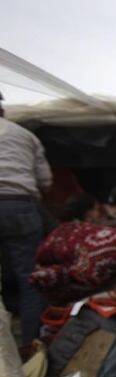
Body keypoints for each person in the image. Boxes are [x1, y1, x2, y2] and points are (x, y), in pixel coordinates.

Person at [0, 91, 51, 348]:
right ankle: (31, 347)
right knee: (29, 281)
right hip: (20, 206)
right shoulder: (24, 136)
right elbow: (45, 180)